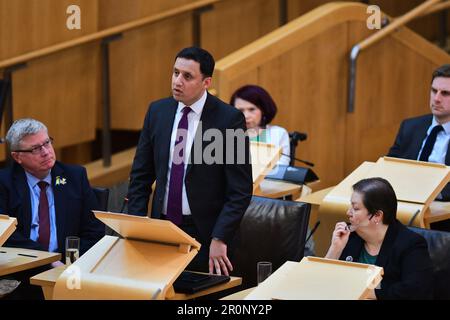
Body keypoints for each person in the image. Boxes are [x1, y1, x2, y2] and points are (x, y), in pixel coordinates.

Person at [127, 47, 253, 276]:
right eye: (175, 73)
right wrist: (137, 227)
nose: (177, 81)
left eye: (187, 76)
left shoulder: (229, 120)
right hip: (161, 229)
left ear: (206, 82)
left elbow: (240, 190)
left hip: (206, 234)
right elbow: (140, 177)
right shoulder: (157, 111)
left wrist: (220, 236)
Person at [0, 118, 105, 298]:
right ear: (17, 156)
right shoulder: (4, 183)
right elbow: (6, 235)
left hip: (69, 270)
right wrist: (47, 261)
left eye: (47, 143)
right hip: (22, 273)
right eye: (35, 149)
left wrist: (70, 264)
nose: (46, 152)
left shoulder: (74, 177)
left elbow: (94, 231)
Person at [325, 177, 434, 300]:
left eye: (355, 208)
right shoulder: (349, 237)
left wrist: (367, 292)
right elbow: (322, 282)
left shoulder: (410, 244)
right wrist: (335, 249)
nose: (348, 212)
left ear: (377, 215)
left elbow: (415, 291)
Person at [388, 64, 450, 200]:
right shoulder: (410, 126)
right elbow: (389, 168)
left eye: (445, 93)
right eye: (434, 91)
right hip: (405, 205)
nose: (437, 99)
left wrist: (433, 195)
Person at [230, 85, 290, 165]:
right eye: (240, 110)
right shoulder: (225, 134)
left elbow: (282, 168)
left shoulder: (278, 133)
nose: (246, 115)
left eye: (252, 109)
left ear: (263, 110)